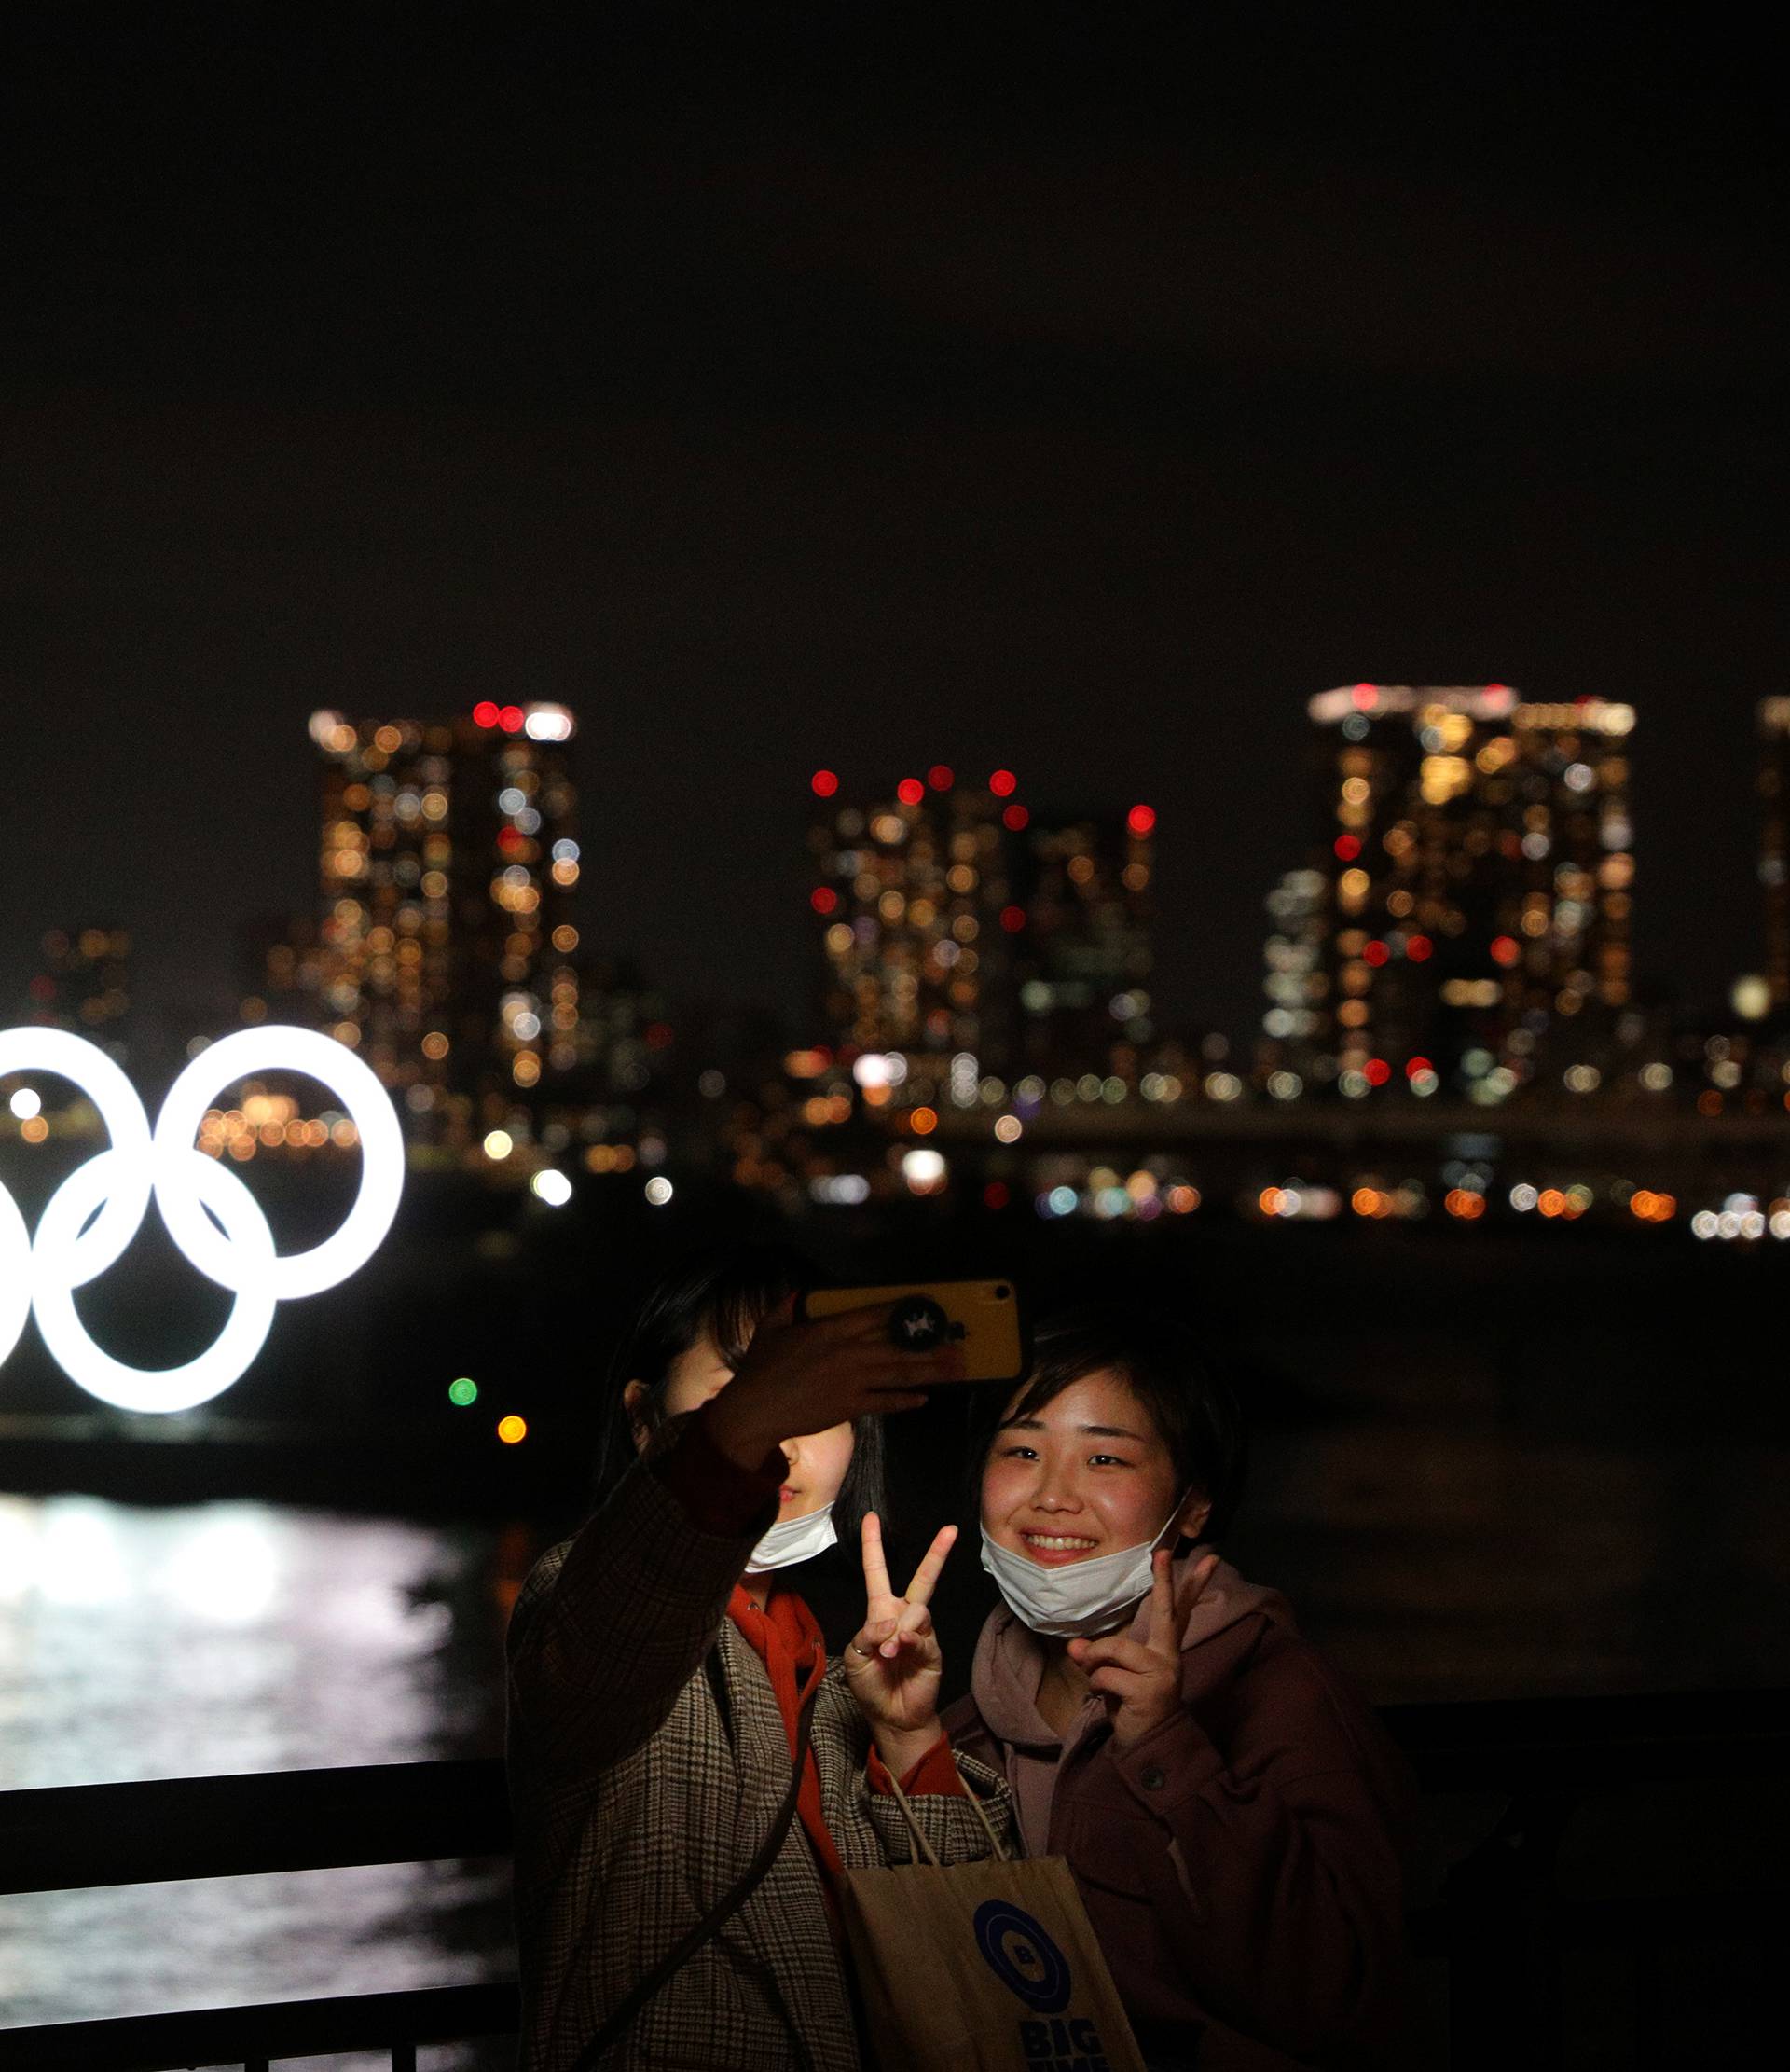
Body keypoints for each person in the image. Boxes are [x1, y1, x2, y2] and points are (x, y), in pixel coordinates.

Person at [506, 1244, 1014, 2072]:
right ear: (643, 1419)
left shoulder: (836, 1660)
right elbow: (615, 1630)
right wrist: (741, 1428)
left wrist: (911, 1739)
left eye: (820, 1406)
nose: (788, 1436)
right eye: (745, 1390)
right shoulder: (590, 1593)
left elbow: (968, 1947)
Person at [943, 1305, 1414, 2071]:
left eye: (1106, 1460)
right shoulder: (958, 1726)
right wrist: (901, 1746)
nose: (1053, 1495)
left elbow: (1338, 2001)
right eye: (1023, 1450)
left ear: (1192, 1505)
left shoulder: (1283, 1694)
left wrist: (1168, 1749)